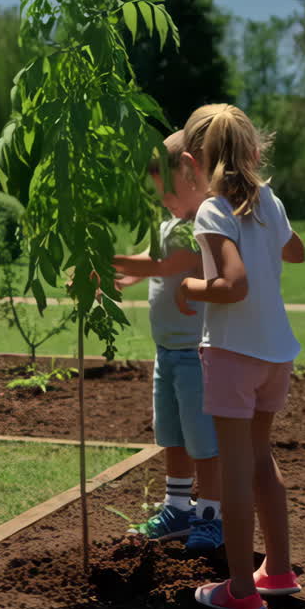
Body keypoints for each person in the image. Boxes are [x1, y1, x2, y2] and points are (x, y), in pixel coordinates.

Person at [176, 104, 305, 609]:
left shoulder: (214, 209)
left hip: (233, 352)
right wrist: (268, 236)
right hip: (277, 353)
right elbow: (295, 252)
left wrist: (189, 285)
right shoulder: (269, 200)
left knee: (233, 469)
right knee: (260, 457)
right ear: (254, 152)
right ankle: (276, 570)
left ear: (192, 162)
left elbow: (233, 284)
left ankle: (239, 591)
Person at [112, 131, 223, 549]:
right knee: (173, 436)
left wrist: (103, 256)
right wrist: (113, 280)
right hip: (167, 353)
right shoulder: (169, 224)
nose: (165, 202)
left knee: (204, 442)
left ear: (194, 176)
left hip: (197, 354)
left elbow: (166, 263)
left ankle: (211, 516)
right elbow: (146, 269)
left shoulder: (202, 225)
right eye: (160, 195)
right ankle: (177, 509)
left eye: (170, 192)